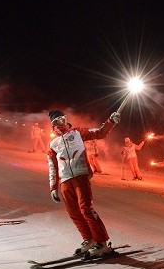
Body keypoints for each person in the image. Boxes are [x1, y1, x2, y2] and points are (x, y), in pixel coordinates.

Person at [47, 110, 119, 258]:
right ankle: (89, 239)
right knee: (73, 213)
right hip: (65, 180)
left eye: (63, 118)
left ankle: (102, 242)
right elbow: (52, 166)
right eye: (58, 120)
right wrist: (53, 187)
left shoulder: (78, 132)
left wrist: (111, 122)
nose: (62, 122)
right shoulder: (53, 143)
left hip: (80, 175)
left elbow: (100, 132)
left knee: (85, 208)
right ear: (53, 124)